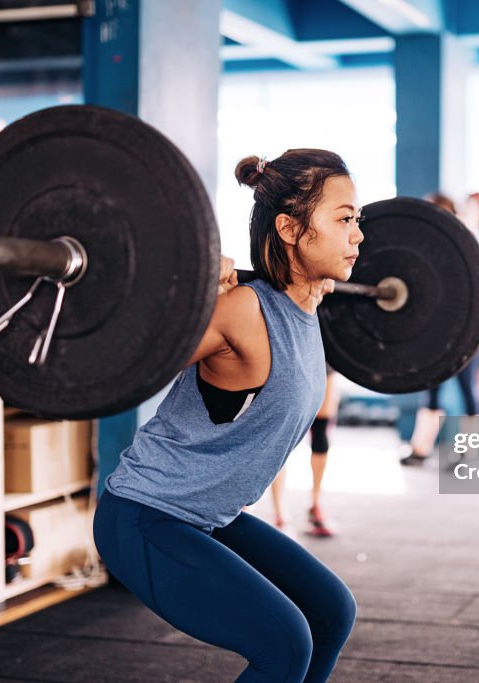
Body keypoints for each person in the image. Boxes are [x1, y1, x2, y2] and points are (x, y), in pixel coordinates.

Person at [93, 149, 361, 682]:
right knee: (284, 643)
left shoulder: (305, 306)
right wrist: (190, 291)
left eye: (359, 220)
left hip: (207, 517)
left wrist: (311, 284)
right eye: (345, 219)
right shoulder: (242, 309)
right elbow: (122, 359)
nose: (358, 235)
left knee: (331, 612)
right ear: (289, 227)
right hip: (146, 515)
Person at [400, 191, 479, 466]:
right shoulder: (424, 246)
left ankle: (469, 454)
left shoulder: (465, 243)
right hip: (434, 331)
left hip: (466, 329)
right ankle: (420, 450)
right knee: (432, 391)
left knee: (468, 390)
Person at [269, 368, 341, 536]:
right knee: (283, 431)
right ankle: (280, 514)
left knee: (321, 428)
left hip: (326, 357)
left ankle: (316, 505)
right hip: (290, 358)